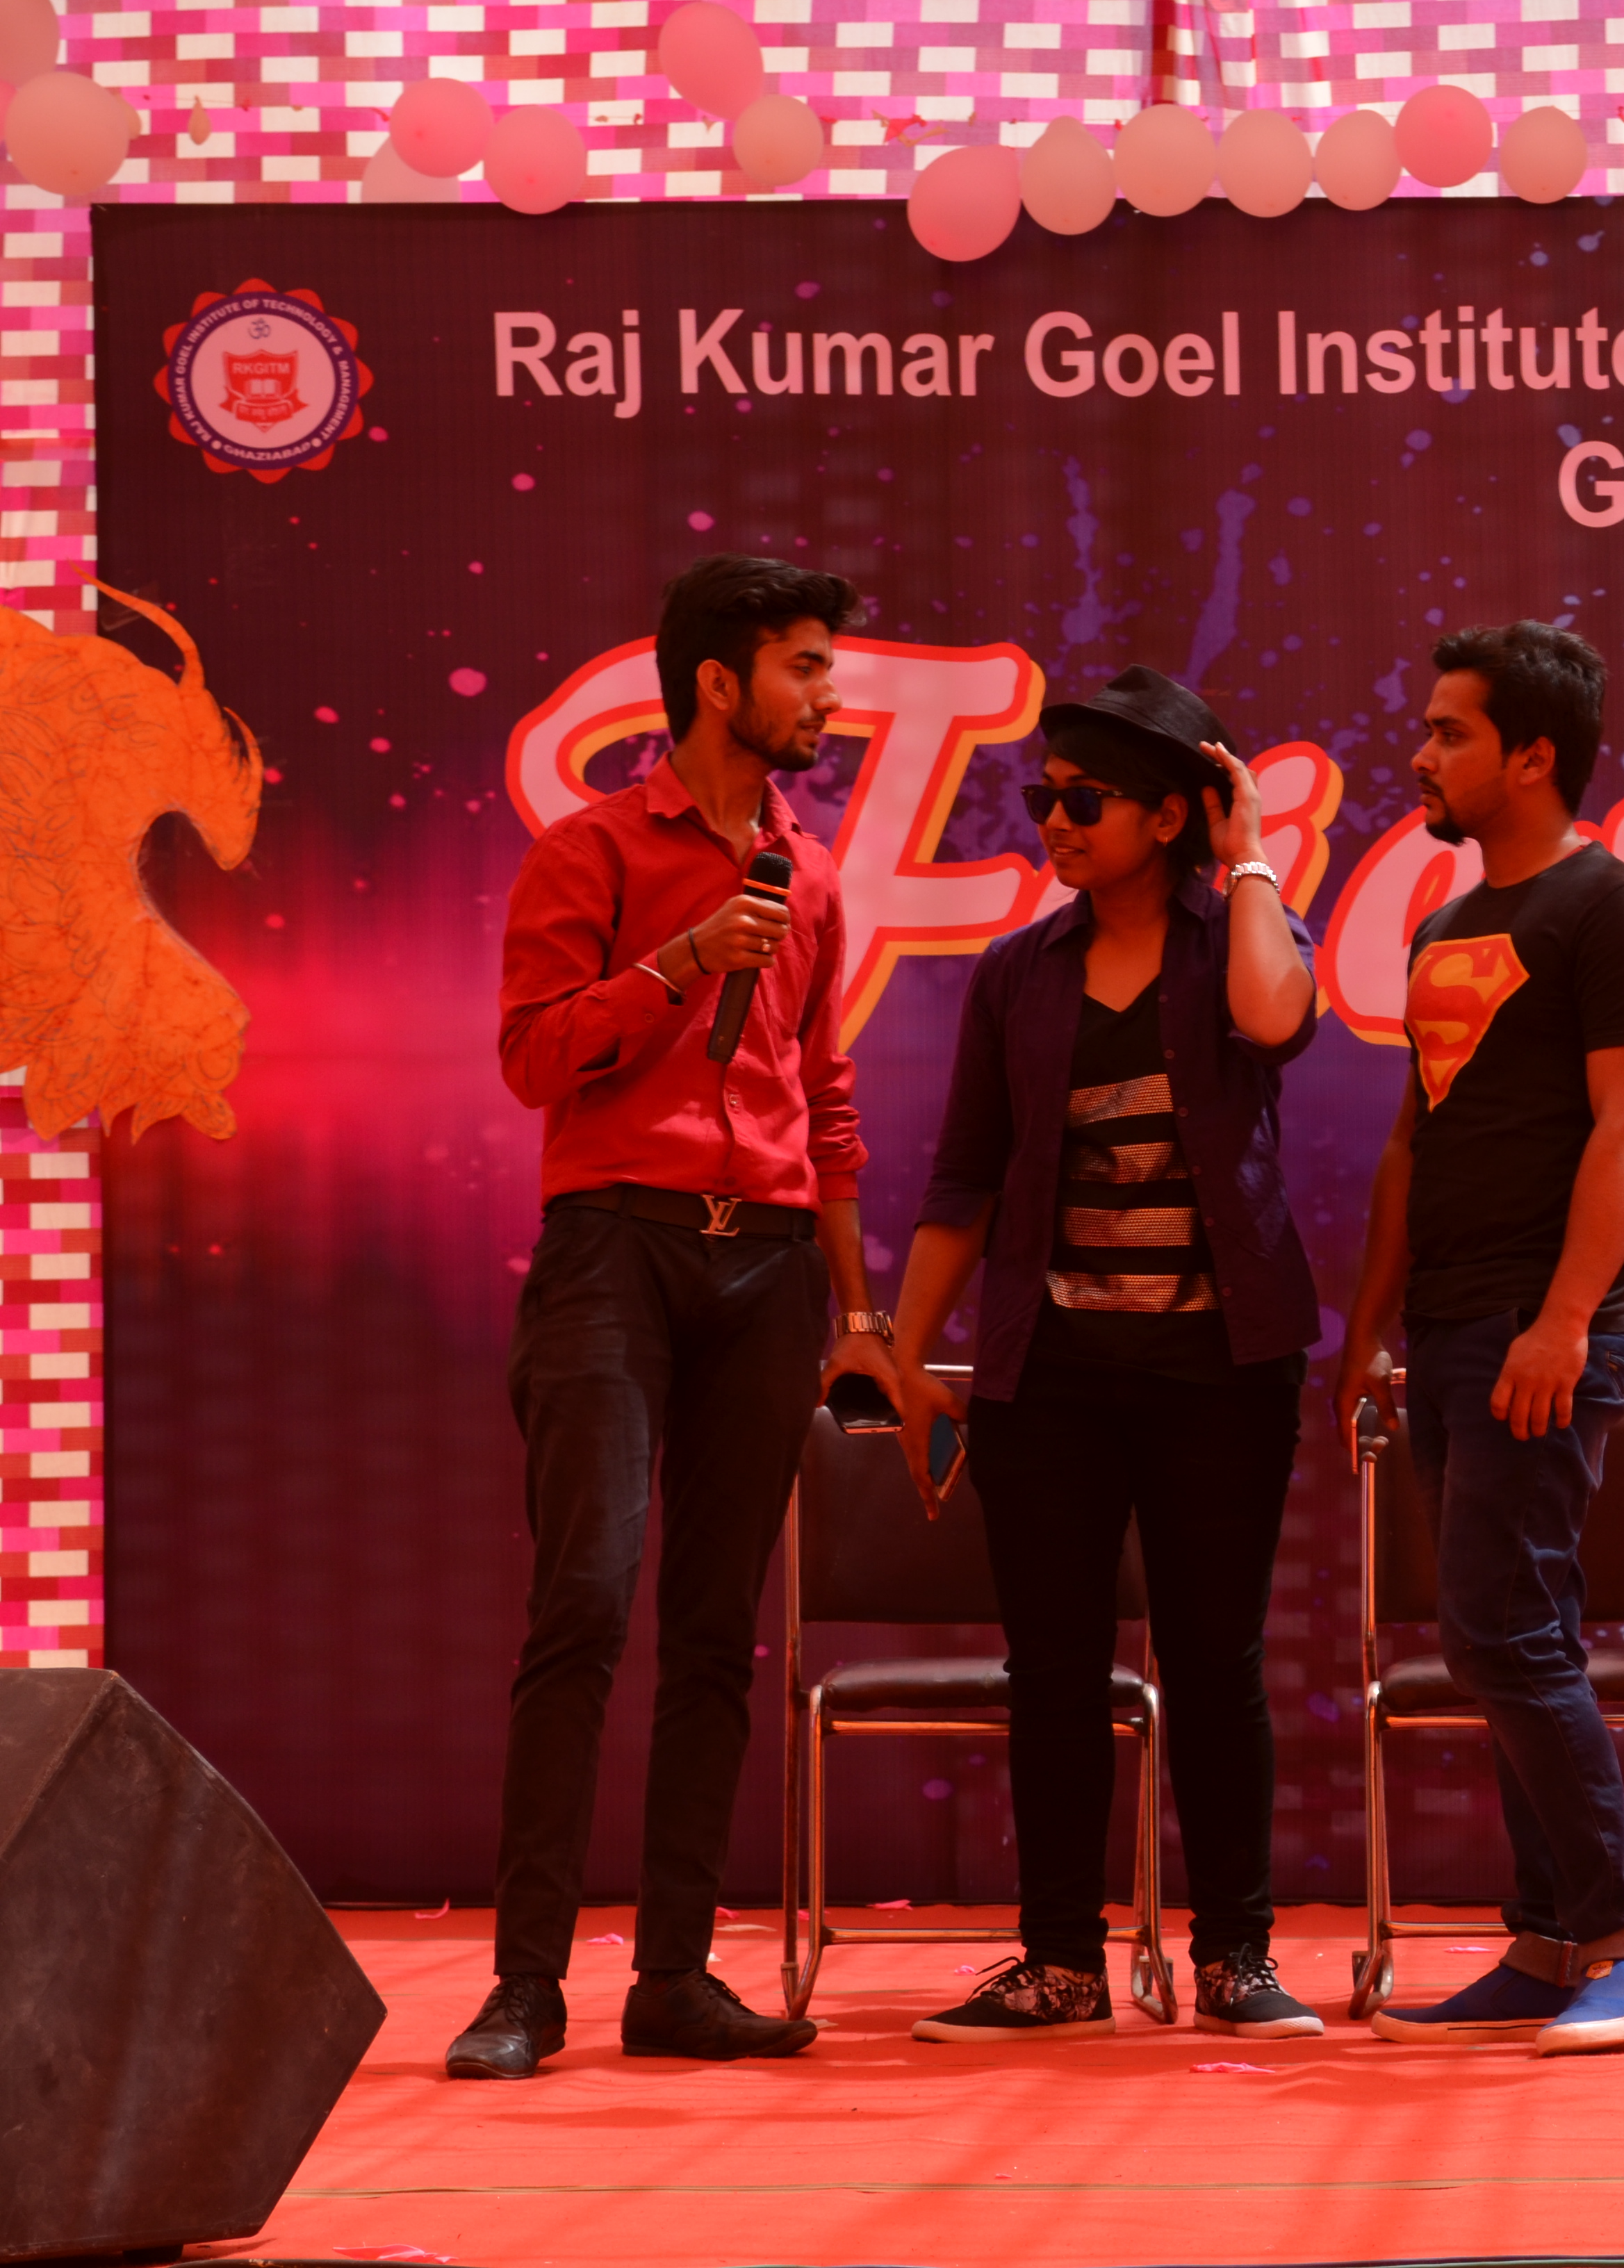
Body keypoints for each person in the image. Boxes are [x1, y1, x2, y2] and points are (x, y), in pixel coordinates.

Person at [448, 555, 901, 2080]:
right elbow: (532, 1058)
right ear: (720, 682)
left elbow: (825, 1096)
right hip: (615, 1249)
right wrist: (676, 966)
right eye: (805, 668)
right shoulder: (590, 849)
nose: (828, 698)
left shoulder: (810, 873)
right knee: (583, 1601)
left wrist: (858, 1311)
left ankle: (676, 1978)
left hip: (767, 1265)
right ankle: (524, 1986)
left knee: (717, 1632)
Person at [890, 666, 1328, 2044]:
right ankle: (1062, 1964)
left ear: (1166, 815)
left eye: (1084, 801)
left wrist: (1248, 854)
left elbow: (1276, 1022)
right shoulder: (1019, 974)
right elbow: (965, 1177)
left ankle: (1237, 1957)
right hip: (1052, 1378)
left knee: (1215, 1661)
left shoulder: (1241, 936)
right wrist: (904, 1353)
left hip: (1222, 1371)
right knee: (1054, 1670)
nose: (1055, 822)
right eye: (1046, 798)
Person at [1336, 622, 1624, 2055]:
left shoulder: (1617, 913)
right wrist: (1369, 1332)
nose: (1419, 754)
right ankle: (1551, 1945)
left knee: (1506, 1632)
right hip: (1445, 1331)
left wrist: (1563, 1320)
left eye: (1450, 732)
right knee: (1494, 1640)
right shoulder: (1444, 932)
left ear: (1532, 756)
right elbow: (1411, 1148)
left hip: (1541, 1333)